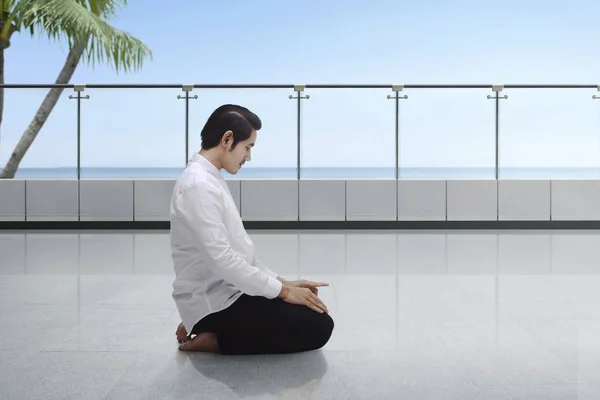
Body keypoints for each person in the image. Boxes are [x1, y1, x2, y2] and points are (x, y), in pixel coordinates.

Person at [169, 104, 334, 355]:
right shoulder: (198, 185)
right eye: (248, 147)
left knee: (312, 313)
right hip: (212, 303)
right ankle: (214, 338)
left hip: (227, 292)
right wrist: (284, 292)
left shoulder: (209, 178)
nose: (248, 157)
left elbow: (241, 254)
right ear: (227, 139)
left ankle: (207, 325)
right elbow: (223, 260)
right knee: (319, 327)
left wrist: (282, 283)